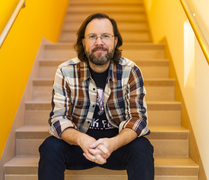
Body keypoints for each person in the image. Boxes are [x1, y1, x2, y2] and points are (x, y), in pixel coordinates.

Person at [38, 13, 154, 180]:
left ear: (115, 41)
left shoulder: (130, 71)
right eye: (92, 36)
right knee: (50, 146)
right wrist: (81, 139)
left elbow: (138, 120)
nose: (99, 42)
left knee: (142, 147)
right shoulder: (65, 71)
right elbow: (58, 120)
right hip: (80, 147)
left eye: (105, 36)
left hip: (116, 147)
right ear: (84, 42)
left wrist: (113, 143)